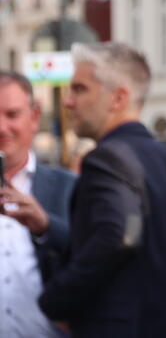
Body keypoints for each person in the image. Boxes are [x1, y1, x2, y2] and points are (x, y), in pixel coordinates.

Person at [38, 42, 166, 337]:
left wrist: (56, 300)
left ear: (118, 98)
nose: (68, 101)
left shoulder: (108, 159)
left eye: (79, 89)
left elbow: (119, 236)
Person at [0, 71, 76, 337]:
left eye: (12, 115)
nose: (1, 128)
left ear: (34, 117)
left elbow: (94, 257)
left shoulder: (69, 187)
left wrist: (46, 227)